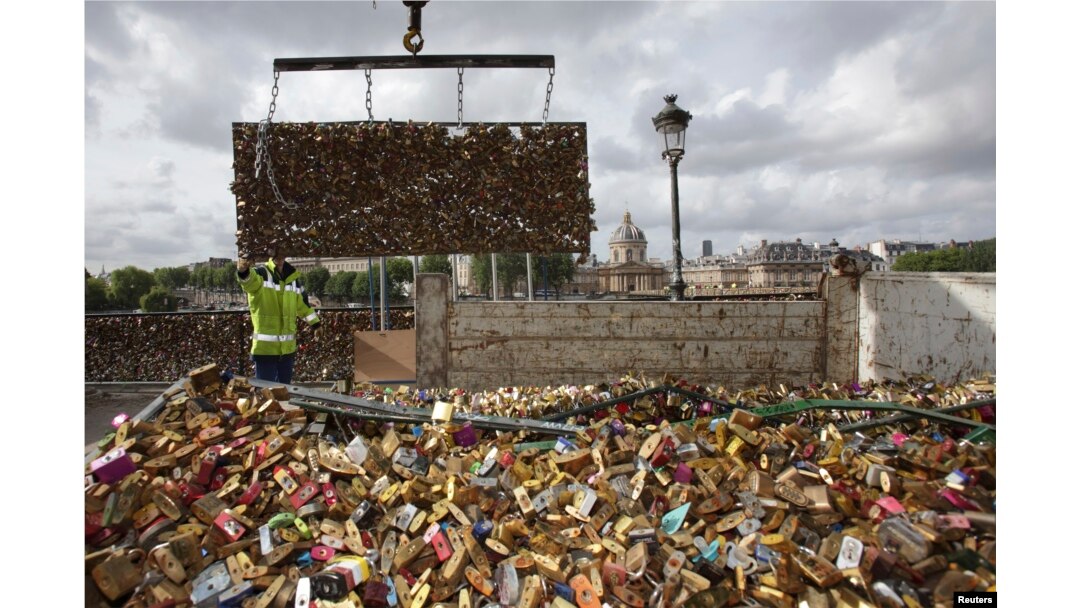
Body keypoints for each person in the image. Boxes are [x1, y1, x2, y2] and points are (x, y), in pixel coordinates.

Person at [236, 246, 321, 383]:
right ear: (270, 253)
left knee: (284, 393)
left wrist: (316, 324)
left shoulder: (294, 280)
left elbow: (303, 306)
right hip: (265, 349)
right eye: (276, 252)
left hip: (287, 350)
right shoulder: (261, 273)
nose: (280, 256)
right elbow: (249, 282)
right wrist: (243, 271)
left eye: (282, 252)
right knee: (266, 393)